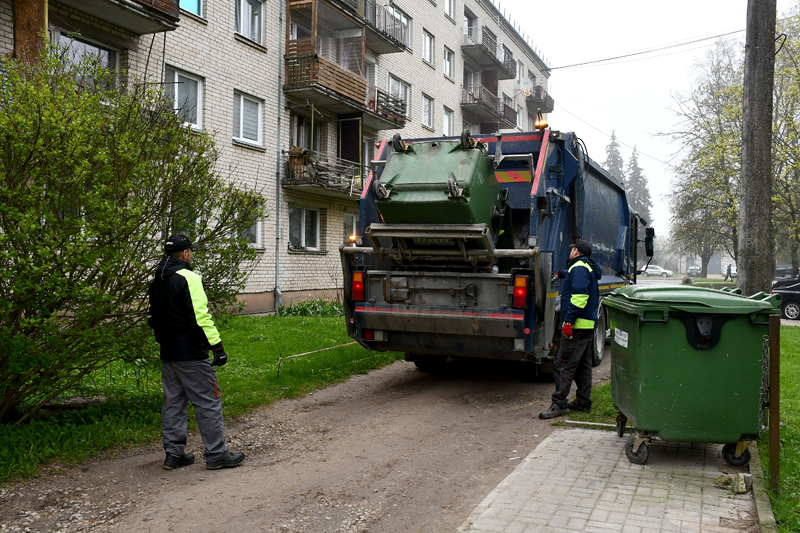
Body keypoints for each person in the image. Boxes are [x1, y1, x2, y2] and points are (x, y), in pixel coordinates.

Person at [148, 234, 246, 470]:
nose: (192, 254)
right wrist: (218, 347)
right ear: (184, 254)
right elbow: (201, 317)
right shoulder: (189, 278)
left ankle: (173, 454)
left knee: (173, 403)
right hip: (191, 353)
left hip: (168, 352)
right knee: (208, 401)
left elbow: (155, 318)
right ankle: (217, 454)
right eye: (191, 250)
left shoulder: (157, 280)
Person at [539, 240, 602, 419]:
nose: (571, 251)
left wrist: (568, 322)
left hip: (576, 326)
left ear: (576, 251)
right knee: (583, 366)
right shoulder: (587, 266)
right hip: (586, 325)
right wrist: (562, 274)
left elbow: (580, 297)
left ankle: (559, 404)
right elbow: (576, 277)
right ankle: (583, 402)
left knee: (563, 365)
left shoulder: (579, 268)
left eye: (572, 249)